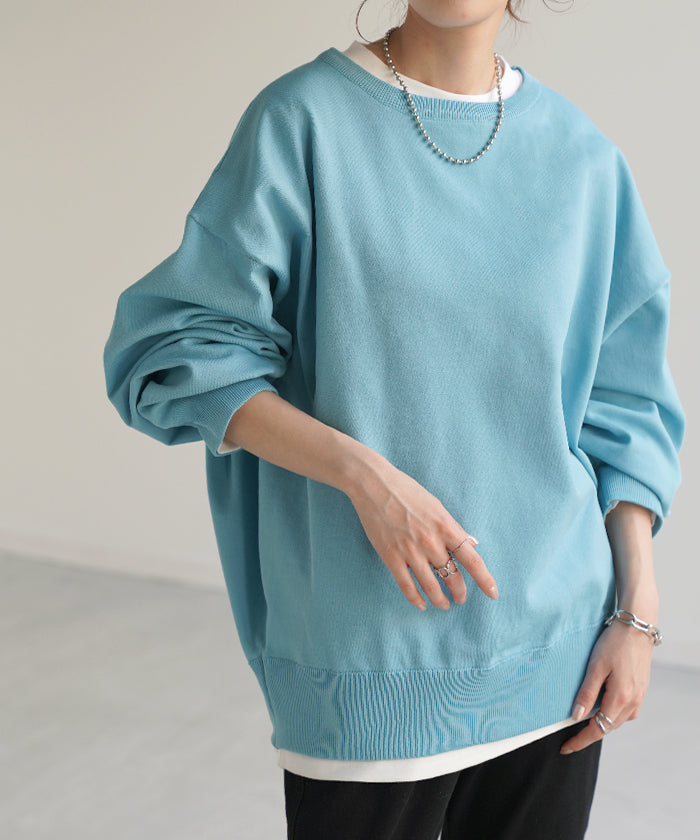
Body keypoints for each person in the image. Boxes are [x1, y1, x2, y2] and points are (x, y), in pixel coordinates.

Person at [102, 1, 686, 837]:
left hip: (558, 661)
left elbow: (623, 403)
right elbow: (176, 349)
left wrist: (637, 614)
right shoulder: (303, 123)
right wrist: (363, 476)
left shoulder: (581, 158)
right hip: (365, 660)